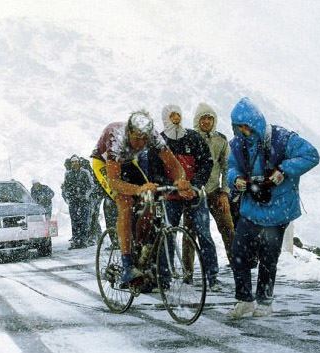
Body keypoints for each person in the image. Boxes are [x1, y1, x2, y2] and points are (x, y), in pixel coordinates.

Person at [227, 97, 319, 318]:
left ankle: (264, 302)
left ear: (255, 123)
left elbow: (311, 155)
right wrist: (236, 179)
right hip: (251, 206)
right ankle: (244, 299)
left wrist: (283, 170)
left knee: (269, 257)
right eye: (239, 127)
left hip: (278, 209)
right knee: (238, 252)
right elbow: (231, 167)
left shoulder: (282, 139)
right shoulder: (237, 145)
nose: (243, 131)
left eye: (246, 126)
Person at [91, 110, 191, 284]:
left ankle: (139, 246)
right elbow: (114, 182)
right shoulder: (116, 138)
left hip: (129, 162)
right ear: (129, 131)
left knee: (150, 200)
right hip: (104, 163)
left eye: (145, 139)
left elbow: (172, 163)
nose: (141, 143)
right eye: (137, 138)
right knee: (126, 202)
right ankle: (127, 263)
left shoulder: (152, 135)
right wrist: (138, 189)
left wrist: (181, 181)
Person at [147, 104, 221, 291]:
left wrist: (194, 185)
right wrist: (172, 186)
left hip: (194, 195)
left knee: (204, 234)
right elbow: (154, 171)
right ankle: (164, 278)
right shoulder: (158, 142)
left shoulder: (193, 138)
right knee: (167, 235)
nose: (176, 119)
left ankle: (211, 277)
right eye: (172, 116)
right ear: (165, 118)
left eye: (178, 115)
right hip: (170, 196)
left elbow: (207, 162)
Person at [192, 102, 235, 264]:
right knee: (191, 232)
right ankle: (188, 272)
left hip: (215, 191)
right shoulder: (190, 138)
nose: (207, 122)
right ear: (197, 120)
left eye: (210, 118)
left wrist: (225, 192)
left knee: (228, 228)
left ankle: (236, 264)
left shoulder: (221, 140)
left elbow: (227, 167)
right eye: (203, 118)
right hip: (195, 192)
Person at [61, 155, 94, 249]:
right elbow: (66, 187)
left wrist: (86, 195)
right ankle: (76, 240)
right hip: (73, 200)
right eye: (72, 162)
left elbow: (91, 185)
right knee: (74, 220)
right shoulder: (68, 174)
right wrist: (68, 197)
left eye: (76, 162)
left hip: (84, 200)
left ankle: (83, 240)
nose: (74, 163)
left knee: (84, 220)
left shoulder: (85, 172)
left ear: (79, 162)